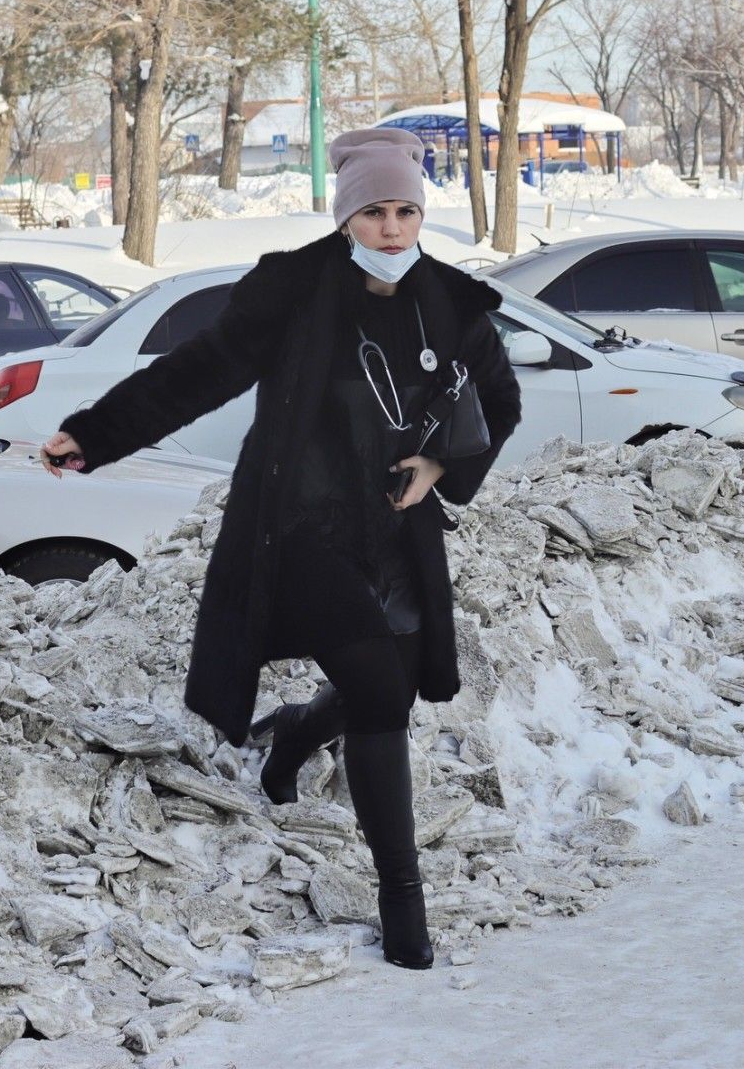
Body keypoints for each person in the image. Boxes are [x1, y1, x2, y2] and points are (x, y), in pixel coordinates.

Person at [39, 127, 522, 971]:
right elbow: (197, 371)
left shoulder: (447, 301)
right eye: (374, 212)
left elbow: (501, 400)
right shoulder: (294, 290)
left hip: (394, 526)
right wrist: (94, 434)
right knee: (379, 692)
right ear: (345, 218)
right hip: (301, 527)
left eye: (406, 211)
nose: (392, 229)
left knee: (395, 683)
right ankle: (402, 899)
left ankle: (296, 730)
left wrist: (440, 466)